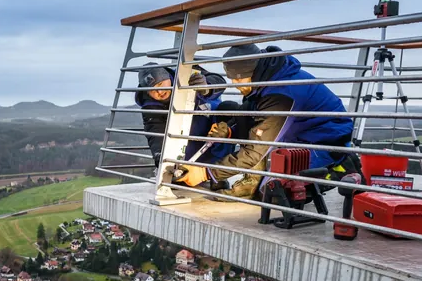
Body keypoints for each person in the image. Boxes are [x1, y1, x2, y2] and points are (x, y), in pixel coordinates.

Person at [203, 44, 359, 198]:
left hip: (325, 143)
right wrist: (231, 130)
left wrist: (206, 172)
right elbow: (254, 121)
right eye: (232, 79)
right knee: (237, 110)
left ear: (253, 71)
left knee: (274, 193)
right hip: (297, 138)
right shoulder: (263, 80)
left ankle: (335, 171)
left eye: (238, 79)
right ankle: (252, 181)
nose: (234, 85)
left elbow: (256, 150)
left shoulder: (282, 94)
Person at [136, 63, 235, 187]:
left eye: (161, 84)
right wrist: (160, 155)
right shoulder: (150, 106)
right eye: (153, 90)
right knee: (180, 175)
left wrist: (207, 86)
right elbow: (155, 132)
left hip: (211, 132)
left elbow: (219, 80)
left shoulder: (187, 72)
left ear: (168, 76)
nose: (160, 91)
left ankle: (218, 175)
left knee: (230, 110)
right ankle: (181, 174)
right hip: (187, 148)